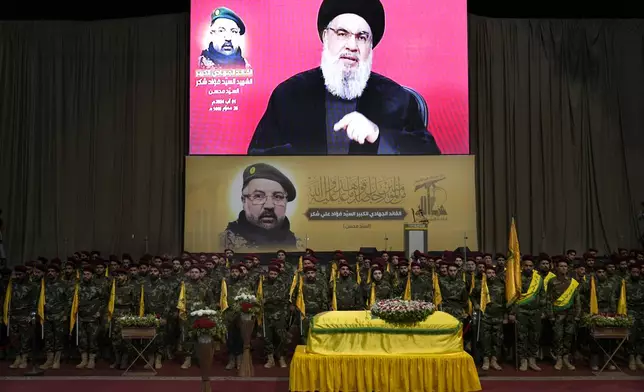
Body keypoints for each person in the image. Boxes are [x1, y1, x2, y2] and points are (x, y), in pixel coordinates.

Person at [247, 0, 440, 155]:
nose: (352, 45)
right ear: (325, 37)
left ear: (370, 46)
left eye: (362, 37)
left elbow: (431, 160)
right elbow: (258, 161)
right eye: (342, 33)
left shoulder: (398, 99)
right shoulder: (289, 95)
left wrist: (378, 136)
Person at [222, 163, 299, 249]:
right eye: (258, 196)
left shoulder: (299, 245)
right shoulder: (224, 243)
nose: (269, 206)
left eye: (278, 196)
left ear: (286, 201)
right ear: (244, 201)